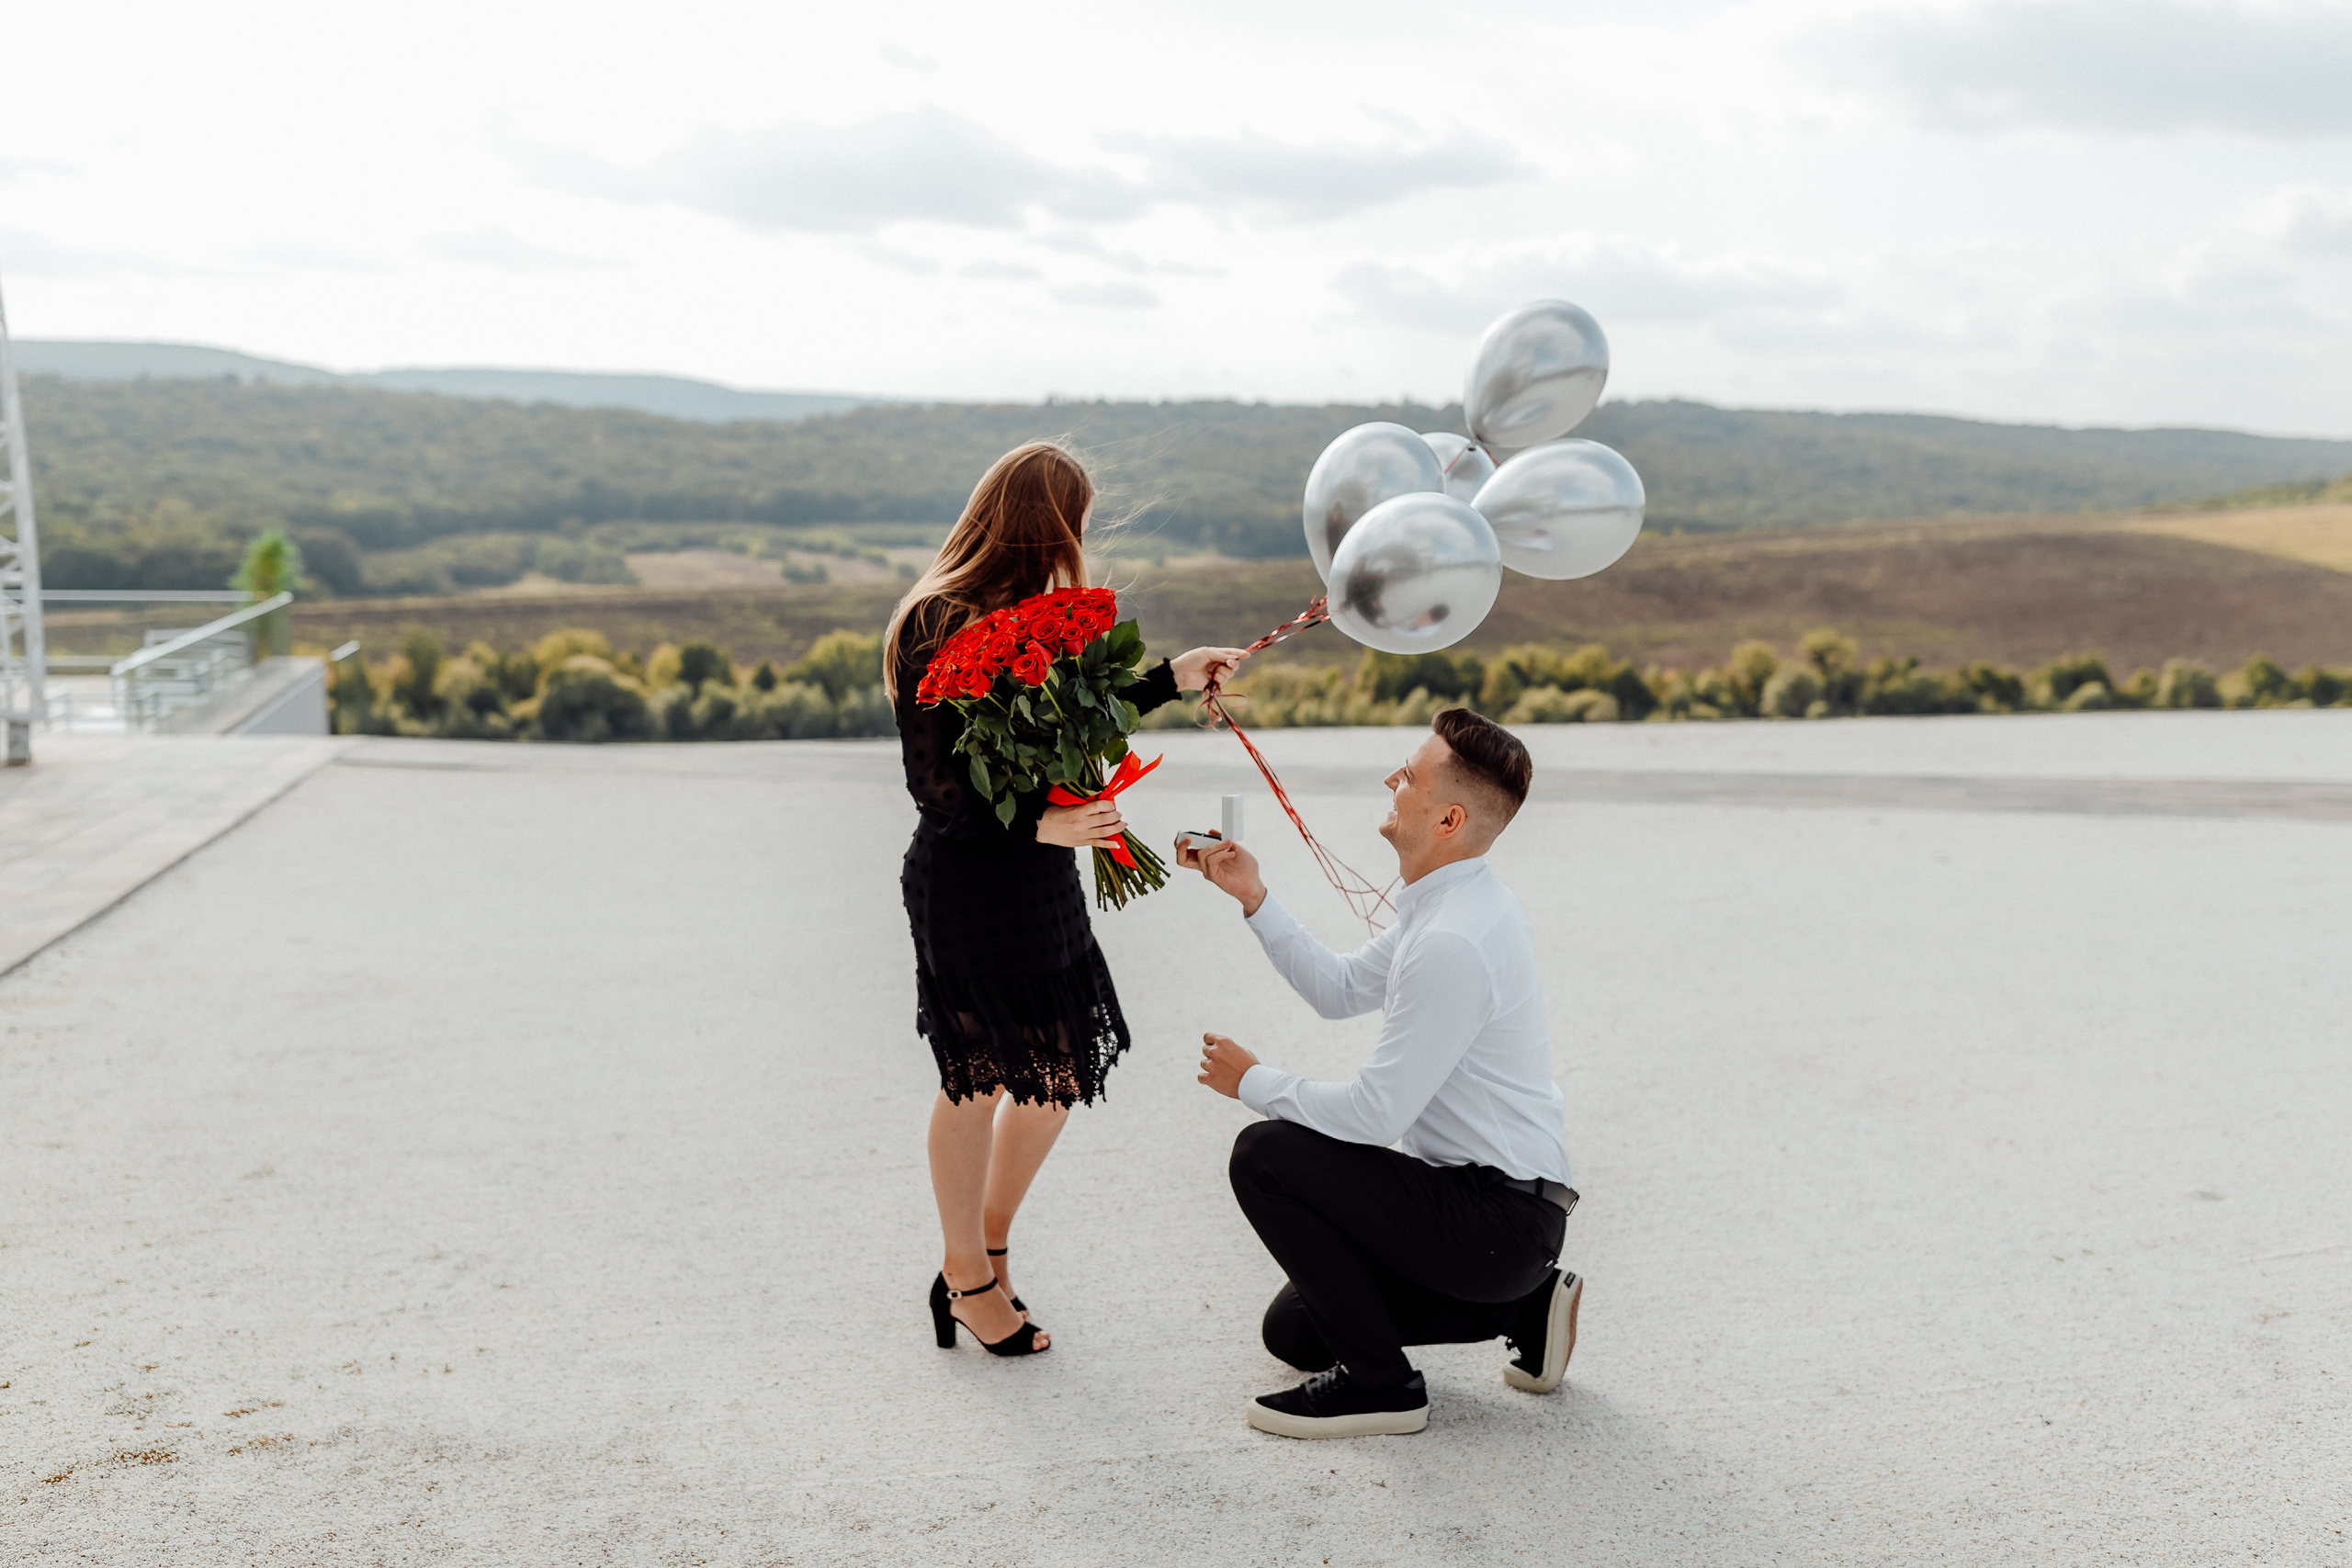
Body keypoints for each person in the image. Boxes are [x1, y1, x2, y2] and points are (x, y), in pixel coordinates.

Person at [887, 441, 1246, 1359]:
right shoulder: (933, 619)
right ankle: (965, 1277)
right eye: (1075, 520)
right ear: (1045, 523)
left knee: (1054, 1075)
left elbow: (1081, 711)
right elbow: (937, 787)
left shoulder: (1029, 616)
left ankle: (989, 1243)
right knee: (976, 1078)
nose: (1080, 538)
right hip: (970, 880)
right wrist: (1041, 827)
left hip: (1041, 882)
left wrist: (1173, 674)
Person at [1178, 707, 1580, 1437]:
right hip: (1496, 1225)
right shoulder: (1445, 906)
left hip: (1496, 1215)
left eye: (1410, 774)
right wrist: (1254, 896)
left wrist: (1253, 1082)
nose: (1391, 780)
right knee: (1295, 1333)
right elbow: (1337, 989)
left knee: (1266, 1154)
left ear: (1449, 817)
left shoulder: (1454, 940)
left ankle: (1385, 1388)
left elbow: (1375, 1115)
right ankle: (1526, 1304)